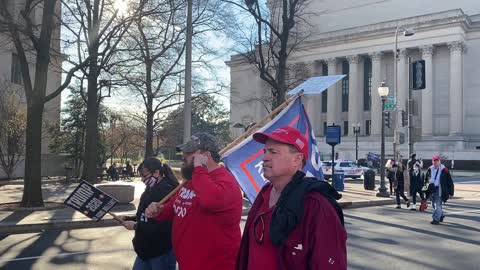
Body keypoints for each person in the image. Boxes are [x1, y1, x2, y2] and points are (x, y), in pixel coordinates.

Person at [235, 126, 347, 270]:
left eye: (273, 152)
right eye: (265, 151)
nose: (264, 157)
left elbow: (329, 263)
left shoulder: (316, 204)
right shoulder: (265, 193)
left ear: (297, 159)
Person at [145, 132, 243, 270]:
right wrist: (160, 210)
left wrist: (199, 169)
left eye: (189, 152)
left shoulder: (225, 181)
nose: (183, 156)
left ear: (206, 155)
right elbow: (175, 206)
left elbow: (210, 201)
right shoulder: (193, 179)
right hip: (188, 263)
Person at [118, 157, 178, 270]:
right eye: (140, 176)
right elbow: (144, 215)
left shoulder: (168, 192)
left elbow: (165, 226)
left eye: (144, 176)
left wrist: (135, 226)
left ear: (157, 172)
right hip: (144, 252)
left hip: (161, 252)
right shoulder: (149, 190)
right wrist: (128, 218)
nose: (142, 179)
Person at [425, 155, 454, 225]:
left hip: (440, 189)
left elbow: (450, 181)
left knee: (437, 204)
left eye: (437, 161)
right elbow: (426, 180)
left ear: (439, 161)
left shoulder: (444, 169)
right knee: (433, 204)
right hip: (431, 188)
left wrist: (451, 192)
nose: (435, 162)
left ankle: (436, 219)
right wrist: (425, 189)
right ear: (432, 162)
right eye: (434, 161)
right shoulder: (430, 169)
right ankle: (441, 215)